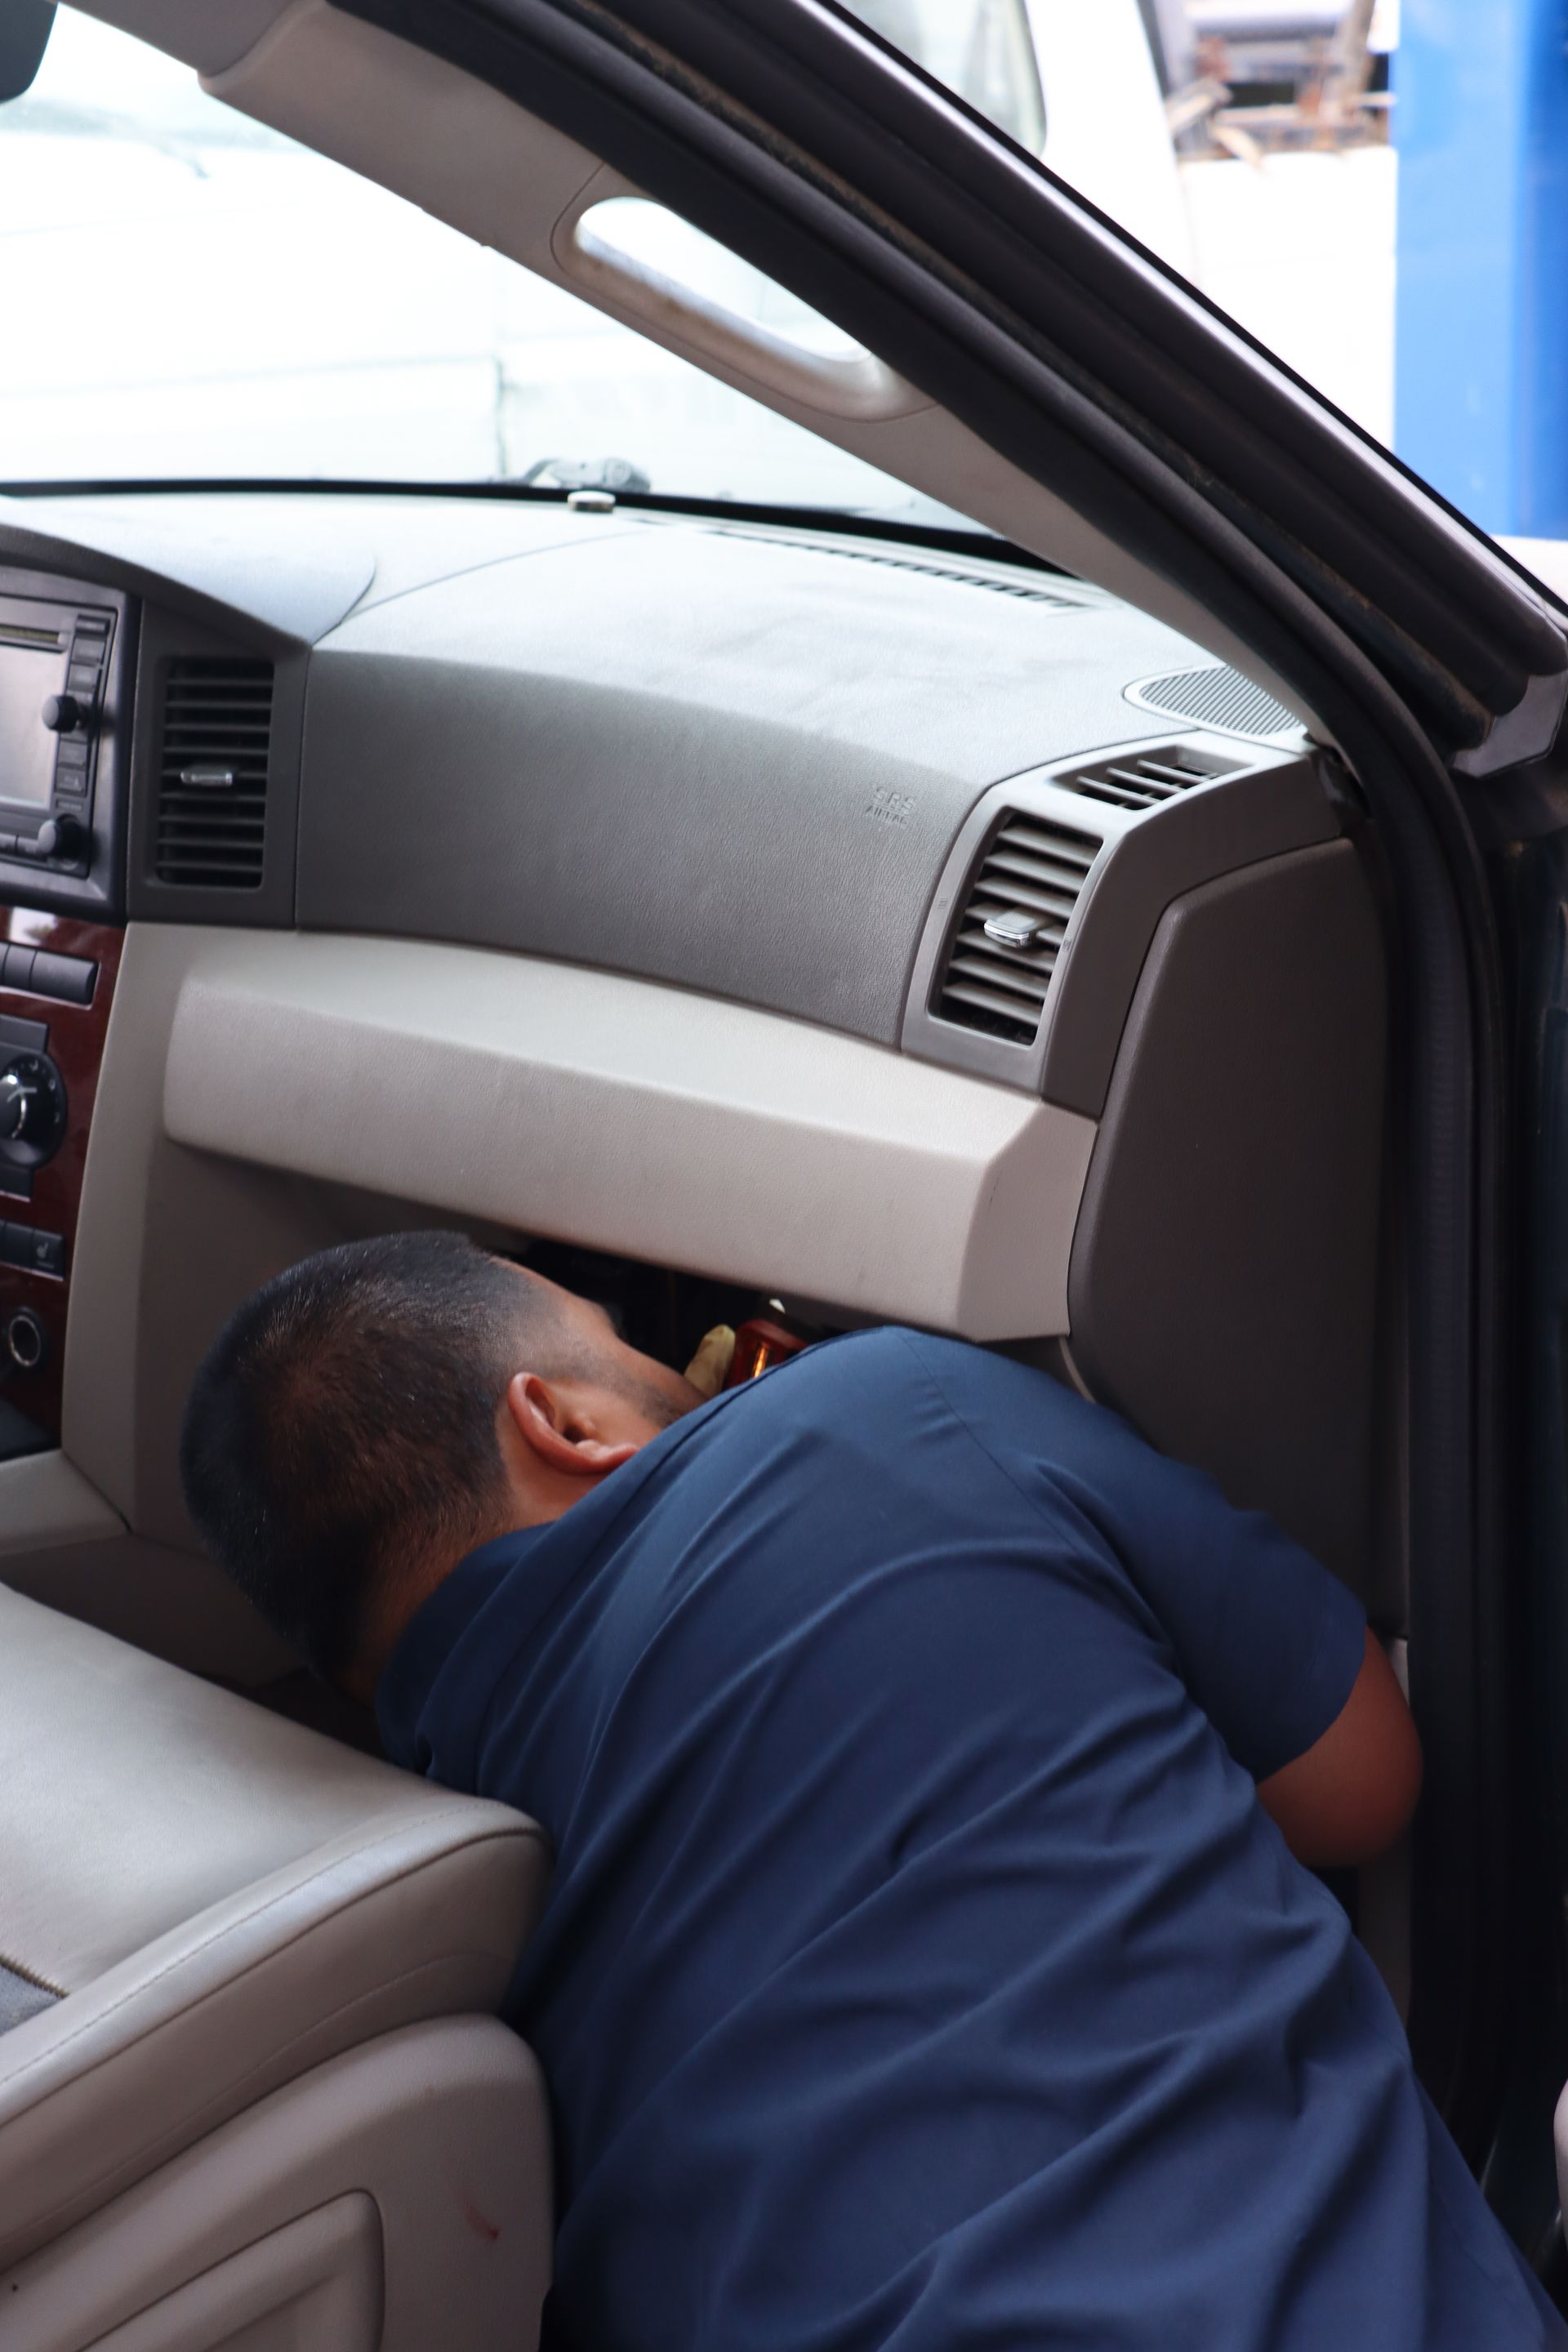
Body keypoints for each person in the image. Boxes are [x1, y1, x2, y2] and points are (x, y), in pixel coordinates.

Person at [179, 1229, 1564, 2350]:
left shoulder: (421, 1907)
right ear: (562, 1418)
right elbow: (1363, 1781)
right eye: (626, 1342)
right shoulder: (888, 1402)